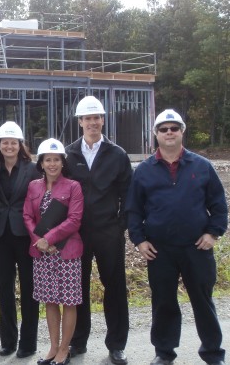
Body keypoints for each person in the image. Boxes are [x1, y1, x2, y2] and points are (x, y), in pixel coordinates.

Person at [126, 109, 227, 365]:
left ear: (182, 131)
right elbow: (133, 210)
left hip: (197, 248)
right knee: (163, 302)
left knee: (203, 301)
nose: (169, 132)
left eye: (174, 128)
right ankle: (164, 352)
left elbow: (218, 205)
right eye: (163, 129)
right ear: (156, 134)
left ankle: (213, 353)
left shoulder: (202, 166)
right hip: (160, 250)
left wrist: (213, 233)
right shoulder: (144, 171)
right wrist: (139, 240)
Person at [65, 95, 132, 365]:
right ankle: (78, 342)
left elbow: (129, 194)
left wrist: (120, 226)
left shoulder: (117, 154)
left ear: (102, 120)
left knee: (114, 287)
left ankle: (116, 345)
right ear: (79, 122)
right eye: (87, 118)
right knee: (76, 289)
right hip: (76, 233)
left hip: (108, 232)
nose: (93, 122)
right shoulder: (68, 154)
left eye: (97, 117)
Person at [23, 138, 83, 365]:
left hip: (67, 251)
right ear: (41, 163)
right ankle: (53, 346)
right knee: (49, 300)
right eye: (48, 160)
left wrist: (49, 238)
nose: (52, 164)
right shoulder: (33, 187)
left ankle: (64, 349)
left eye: (56, 160)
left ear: (62, 162)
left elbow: (75, 219)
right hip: (42, 253)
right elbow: (27, 216)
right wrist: (39, 240)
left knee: (68, 301)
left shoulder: (73, 187)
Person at [0, 121, 41, 358]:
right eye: (4, 142)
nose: (9, 146)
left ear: (20, 145)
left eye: (13, 142)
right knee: (5, 289)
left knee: (29, 288)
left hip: (27, 235)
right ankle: (8, 341)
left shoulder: (32, 169)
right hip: (2, 234)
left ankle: (28, 343)